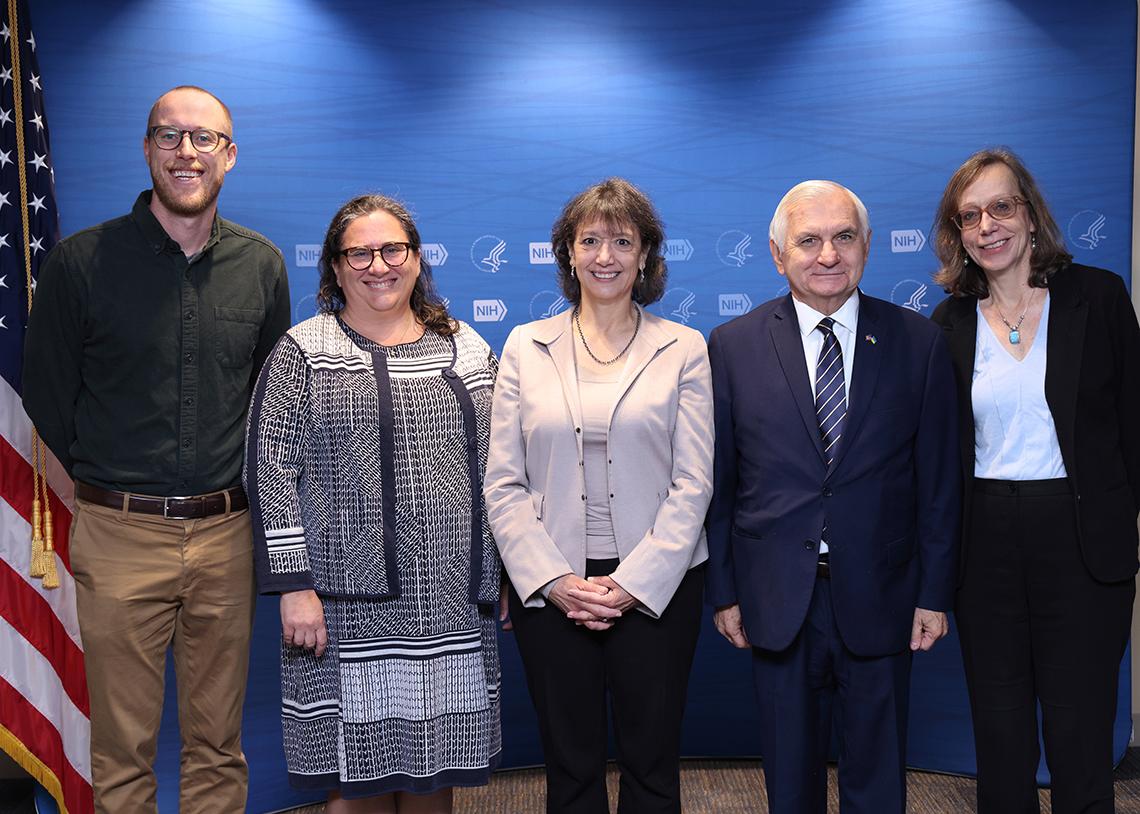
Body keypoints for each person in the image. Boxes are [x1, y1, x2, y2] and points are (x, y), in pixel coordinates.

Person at [22, 85, 290, 814]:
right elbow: (46, 402)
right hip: (117, 535)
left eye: (204, 139)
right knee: (122, 754)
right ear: (146, 150)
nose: (186, 152)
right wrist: (103, 503)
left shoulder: (261, 268)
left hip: (226, 536)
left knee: (216, 747)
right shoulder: (80, 264)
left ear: (229, 156)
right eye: (168, 136)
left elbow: (272, 410)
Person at [705, 180, 960, 814]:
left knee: (877, 781)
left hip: (884, 590)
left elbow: (938, 483)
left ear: (867, 246)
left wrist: (934, 594)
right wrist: (725, 590)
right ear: (775, 252)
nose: (828, 255)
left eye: (844, 237)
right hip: (776, 594)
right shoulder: (732, 346)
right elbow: (720, 483)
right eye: (809, 240)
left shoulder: (919, 342)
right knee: (789, 783)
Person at [245, 193, 501, 813]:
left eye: (392, 249)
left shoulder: (466, 348)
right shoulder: (303, 351)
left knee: (434, 778)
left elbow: (503, 471)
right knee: (355, 784)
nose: (377, 265)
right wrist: (294, 588)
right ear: (334, 267)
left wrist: (505, 579)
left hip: (452, 607)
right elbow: (271, 470)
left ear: (416, 259)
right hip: (341, 612)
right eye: (358, 252)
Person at [485, 177, 713, 814]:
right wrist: (552, 579)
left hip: (658, 588)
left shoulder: (684, 348)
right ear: (568, 253)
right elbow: (503, 482)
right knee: (570, 767)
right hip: (553, 587)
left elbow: (694, 482)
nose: (605, 255)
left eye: (622, 240)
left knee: (652, 766)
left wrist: (634, 582)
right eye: (590, 240)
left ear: (646, 256)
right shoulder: (526, 348)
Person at [930, 148, 1140, 814]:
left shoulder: (1098, 297)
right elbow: (939, 457)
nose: (988, 225)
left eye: (1002, 206)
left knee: (1080, 733)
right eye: (970, 215)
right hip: (985, 540)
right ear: (957, 235)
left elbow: (1134, 426)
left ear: (1029, 214)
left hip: (1081, 540)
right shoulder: (949, 325)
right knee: (1000, 731)